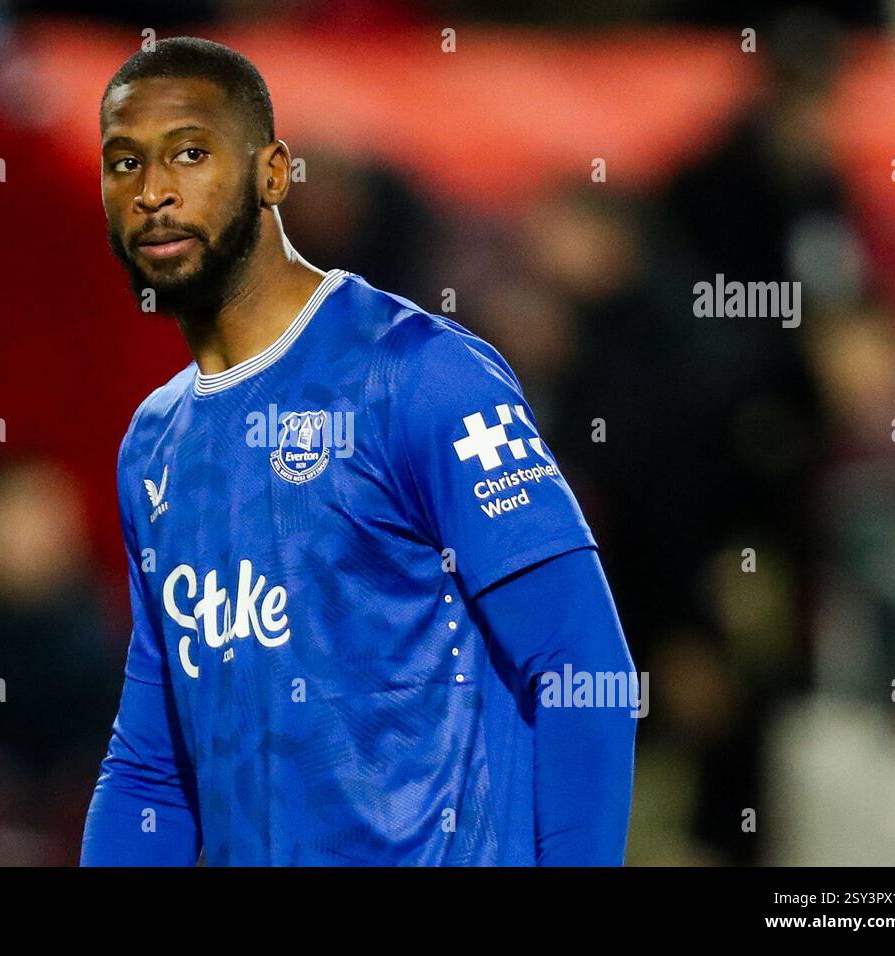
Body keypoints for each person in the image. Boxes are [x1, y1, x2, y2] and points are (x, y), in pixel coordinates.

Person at [80, 37, 636, 866]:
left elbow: (582, 669)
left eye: (190, 154)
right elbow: (152, 770)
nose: (154, 192)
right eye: (125, 163)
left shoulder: (422, 377)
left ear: (273, 173)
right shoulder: (153, 448)